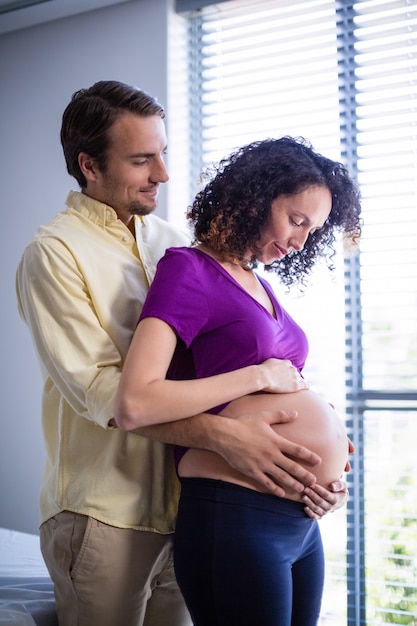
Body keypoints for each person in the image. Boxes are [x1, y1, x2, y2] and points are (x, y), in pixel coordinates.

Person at [16, 79, 348, 626]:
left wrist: (319, 457)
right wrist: (226, 435)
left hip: (185, 502)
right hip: (109, 509)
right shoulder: (53, 254)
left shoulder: (172, 242)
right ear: (90, 165)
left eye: (163, 154)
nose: (164, 175)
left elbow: (230, 363)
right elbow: (106, 393)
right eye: (143, 160)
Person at [114, 136, 362, 626]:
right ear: (254, 197)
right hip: (235, 515)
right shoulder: (189, 270)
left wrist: (330, 476)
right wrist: (257, 374)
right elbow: (135, 402)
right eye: (296, 221)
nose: (300, 242)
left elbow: (283, 387)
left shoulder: (260, 284)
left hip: (301, 522)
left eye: (313, 231)